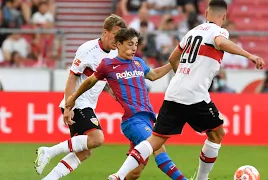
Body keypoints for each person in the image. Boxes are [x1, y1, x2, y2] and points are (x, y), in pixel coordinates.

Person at [107, 1, 265, 180]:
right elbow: (220, 42)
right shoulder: (219, 32)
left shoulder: (192, 32)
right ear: (224, 17)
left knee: (154, 140)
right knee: (217, 133)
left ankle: (118, 176)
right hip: (195, 94)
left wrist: (183, 75)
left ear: (206, 13)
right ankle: (201, 179)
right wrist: (249, 55)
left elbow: (173, 57)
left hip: (174, 91)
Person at [65, 28, 187, 180]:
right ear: (118, 44)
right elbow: (89, 82)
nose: (134, 48)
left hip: (148, 118)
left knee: (135, 172)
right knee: (158, 148)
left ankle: (119, 177)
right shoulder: (108, 65)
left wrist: (172, 63)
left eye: (136, 44)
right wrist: (72, 98)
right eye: (130, 44)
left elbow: (154, 75)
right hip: (132, 120)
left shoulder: (138, 63)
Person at [34, 14, 127, 180]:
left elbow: (98, 79)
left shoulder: (114, 54)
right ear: (105, 32)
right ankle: (48, 151)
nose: (118, 39)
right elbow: (72, 77)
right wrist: (69, 106)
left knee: (84, 152)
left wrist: (112, 92)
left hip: (88, 104)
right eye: (115, 34)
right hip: (77, 102)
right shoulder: (88, 49)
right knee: (97, 139)